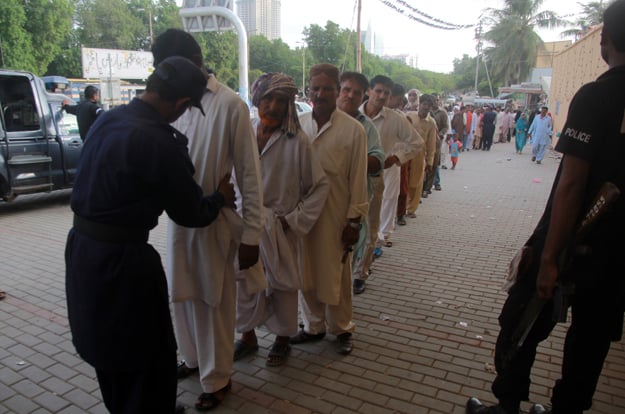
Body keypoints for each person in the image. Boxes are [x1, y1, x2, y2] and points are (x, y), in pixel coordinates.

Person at [467, 1, 625, 412]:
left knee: (520, 317)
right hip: (618, 255)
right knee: (590, 342)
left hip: (575, 239)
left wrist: (550, 257)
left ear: (605, 38)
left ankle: (507, 406)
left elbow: (571, 185)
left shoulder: (598, 95)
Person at [65, 56, 236, 414]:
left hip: (81, 251)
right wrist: (220, 196)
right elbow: (190, 213)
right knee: (147, 352)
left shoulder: (107, 119)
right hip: (124, 264)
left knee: (108, 349)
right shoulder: (158, 141)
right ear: (181, 104)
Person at [152, 29, 264, 412]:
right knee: (181, 296)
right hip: (179, 222)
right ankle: (193, 360)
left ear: (192, 64)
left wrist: (252, 234)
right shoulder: (170, 104)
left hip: (214, 221)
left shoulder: (230, 104)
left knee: (212, 300)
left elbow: (249, 174)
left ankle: (218, 379)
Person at [234, 72, 329, 366]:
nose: (273, 106)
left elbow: (319, 186)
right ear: (257, 99)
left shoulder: (297, 141)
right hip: (244, 223)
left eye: (281, 100)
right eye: (268, 98)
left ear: (290, 104)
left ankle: (282, 339)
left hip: (279, 226)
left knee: (283, 286)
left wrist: (291, 220)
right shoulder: (245, 131)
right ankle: (247, 337)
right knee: (243, 282)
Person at [289, 63, 369, 355]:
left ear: (337, 90)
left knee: (337, 274)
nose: (321, 94)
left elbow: (358, 180)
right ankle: (313, 326)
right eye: (316, 88)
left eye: (327, 88)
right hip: (302, 215)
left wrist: (354, 222)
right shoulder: (297, 123)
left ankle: (343, 328)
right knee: (304, 270)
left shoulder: (353, 131)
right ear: (309, 90)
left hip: (337, 216)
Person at [335, 71, 384, 295]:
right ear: (338, 91)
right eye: (346, 90)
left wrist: (350, 159)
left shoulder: (366, 127)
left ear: (363, 96)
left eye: (356, 92)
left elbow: (377, 161)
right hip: (319, 203)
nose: (350, 96)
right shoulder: (319, 119)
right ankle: (314, 319)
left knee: (346, 257)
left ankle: (338, 315)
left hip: (354, 204)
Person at [360, 75, 421, 249]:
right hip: (352, 176)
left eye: (385, 93)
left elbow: (417, 143)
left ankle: (366, 264)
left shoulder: (395, 119)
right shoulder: (353, 115)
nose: (381, 96)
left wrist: (396, 158)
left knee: (378, 214)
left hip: (381, 172)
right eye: (378, 91)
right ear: (368, 91)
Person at [405, 94, 437, 218]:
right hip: (405, 152)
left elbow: (431, 143)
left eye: (429, 105)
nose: (426, 107)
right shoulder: (409, 116)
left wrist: (430, 161)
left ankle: (411, 209)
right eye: (424, 104)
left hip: (419, 155)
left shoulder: (431, 123)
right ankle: (401, 208)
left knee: (416, 183)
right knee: (403, 181)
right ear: (420, 104)